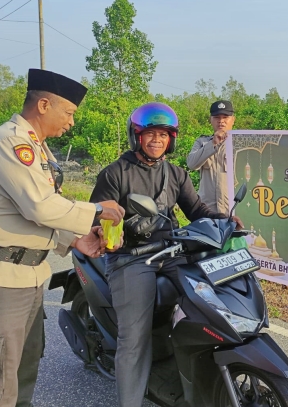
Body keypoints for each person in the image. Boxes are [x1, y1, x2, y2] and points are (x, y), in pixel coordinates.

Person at [0, 69, 124, 407]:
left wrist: (75, 239)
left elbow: (45, 209)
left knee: (21, 382)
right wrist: (97, 210)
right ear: (43, 104)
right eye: (68, 113)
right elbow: (40, 206)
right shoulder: (9, 142)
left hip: (26, 278)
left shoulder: (40, 150)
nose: (71, 122)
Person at [89, 101, 243, 407]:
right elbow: (97, 215)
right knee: (133, 339)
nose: (157, 140)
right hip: (132, 258)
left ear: (171, 139)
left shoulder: (175, 174)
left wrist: (225, 220)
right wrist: (105, 231)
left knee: (211, 304)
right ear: (137, 136)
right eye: (150, 134)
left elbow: (196, 210)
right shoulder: (116, 173)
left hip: (172, 253)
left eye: (163, 134)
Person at [186, 100, 236, 213]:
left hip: (233, 211)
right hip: (208, 211)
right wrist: (212, 144)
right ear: (211, 120)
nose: (221, 121)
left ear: (233, 120)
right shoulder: (202, 142)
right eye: (217, 117)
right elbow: (191, 164)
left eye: (225, 117)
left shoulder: (240, 145)